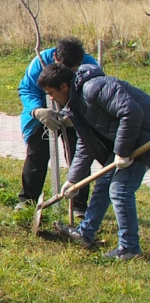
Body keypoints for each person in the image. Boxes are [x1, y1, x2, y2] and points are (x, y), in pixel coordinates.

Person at [40, 62, 150, 260]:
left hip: (144, 138)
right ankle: (85, 233)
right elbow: (85, 141)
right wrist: (73, 180)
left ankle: (129, 248)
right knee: (104, 183)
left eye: (51, 92)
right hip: (129, 140)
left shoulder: (95, 88)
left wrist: (122, 152)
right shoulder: (76, 104)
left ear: (64, 86)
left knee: (120, 190)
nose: (51, 97)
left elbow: (132, 112)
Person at [16, 38, 98, 216]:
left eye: (73, 70)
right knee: (37, 154)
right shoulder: (39, 63)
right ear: (55, 57)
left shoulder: (90, 65)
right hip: (45, 112)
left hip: (74, 115)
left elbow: (94, 94)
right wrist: (38, 111)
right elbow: (27, 89)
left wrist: (75, 114)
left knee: (79, 156)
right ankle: (27, 199)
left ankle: (78, 206)